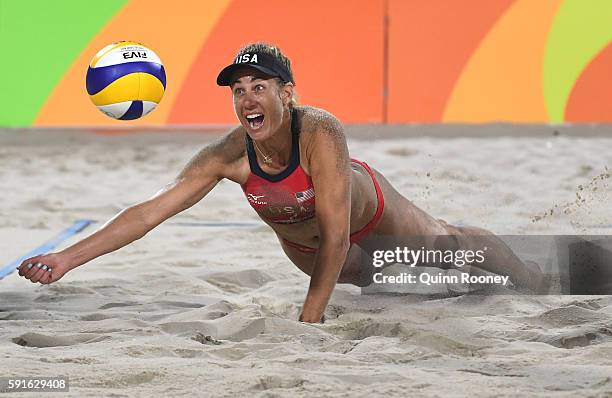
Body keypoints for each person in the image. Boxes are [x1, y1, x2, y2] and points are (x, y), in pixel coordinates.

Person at [18, 43, 546, 323]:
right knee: (375, 278)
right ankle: (443, 289)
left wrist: (309, 319)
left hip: (369, 214)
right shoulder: (228, 155)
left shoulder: (319, 130)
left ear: (286, 93)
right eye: (238, 90)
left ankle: (530, 278)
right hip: (307, 246)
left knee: (450, 246)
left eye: (259, 86)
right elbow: (149, 212)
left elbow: (336, 233)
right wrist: (67, 259)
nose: (247, 99)